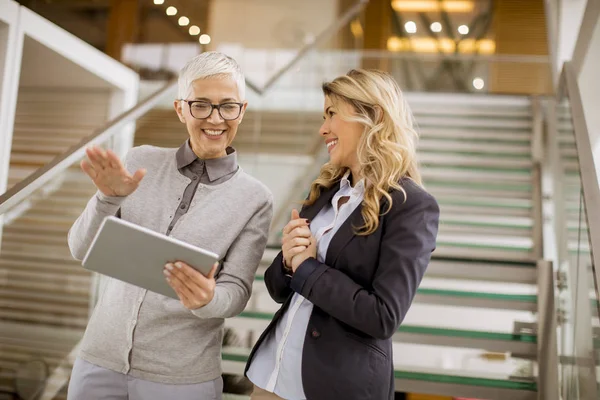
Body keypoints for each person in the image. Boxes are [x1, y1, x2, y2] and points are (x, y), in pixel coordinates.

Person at [66, 52, 273, 400]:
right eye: (201, 105)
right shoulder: (138, 161)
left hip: (181, 378)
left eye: (228, 106)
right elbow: (81, 249)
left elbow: (236, 291)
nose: (216, 118)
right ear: (180, 109)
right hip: (98, 361)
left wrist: (208, 299)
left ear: (243, 109)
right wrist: (107, 199)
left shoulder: (256, 198)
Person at [245, 69, 439, 400]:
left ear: (373, 115)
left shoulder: (412, 206)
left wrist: (306, 268)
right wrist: (289, 261)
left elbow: (383, 316)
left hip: (333, 387)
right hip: (271, 376)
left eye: (332, 114)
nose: (323, 129)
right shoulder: (327, 192)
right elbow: (278, 288)